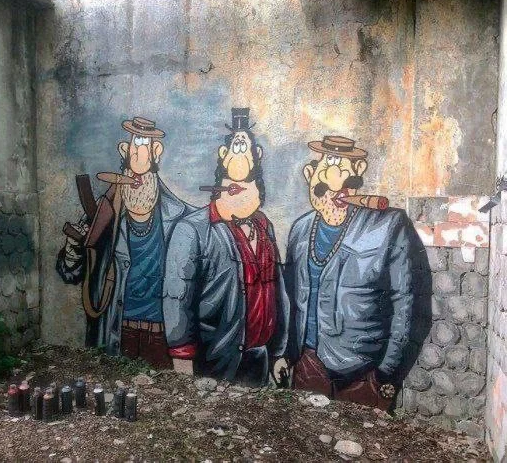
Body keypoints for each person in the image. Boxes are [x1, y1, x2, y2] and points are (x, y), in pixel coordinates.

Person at [284, 135, 413, 409]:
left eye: (344, 172)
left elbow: (405, 304)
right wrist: (288, 355)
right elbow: (288, 299)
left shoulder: (388, 225)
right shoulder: (300, 230)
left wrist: (385, 373)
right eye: (326, 172)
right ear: (310, 174)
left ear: (359, 172)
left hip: (363, 374)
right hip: (307, 366)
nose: (335, 185)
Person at [163, 108, 289, 387]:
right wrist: (183, 371)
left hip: (259, 361)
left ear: (258, 156)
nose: (241, 153)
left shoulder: (264, 226)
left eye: (246, 147)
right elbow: (177, 301)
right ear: (223, 155)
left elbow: (276, 292)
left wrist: (278, 353)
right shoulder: (193, 229)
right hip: (215, 361)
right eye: (235, 146)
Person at [56, 117, 193, 369]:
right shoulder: (105, 213)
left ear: (156, 151)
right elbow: (70, 273)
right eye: (134, 145)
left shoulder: (181, 218)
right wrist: (74, 248)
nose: (139, 153)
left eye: (145, 145)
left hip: (163, 336)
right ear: (124, 150)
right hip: (115, 331)